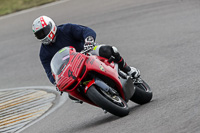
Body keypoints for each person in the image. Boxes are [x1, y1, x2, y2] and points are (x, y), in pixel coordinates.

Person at [32, 16, 140, 85]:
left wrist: (88, 40)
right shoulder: (43, 53)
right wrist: (56, 81)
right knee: (71, 94)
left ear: (51, 26)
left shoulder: (66, 29)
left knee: (109, 50)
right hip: (72, 70)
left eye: (43, 31)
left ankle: (128, 70)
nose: (43, 35)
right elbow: (49, 71)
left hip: (86, 52)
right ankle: (100, 98)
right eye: (39, 34)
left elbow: (86, 31)